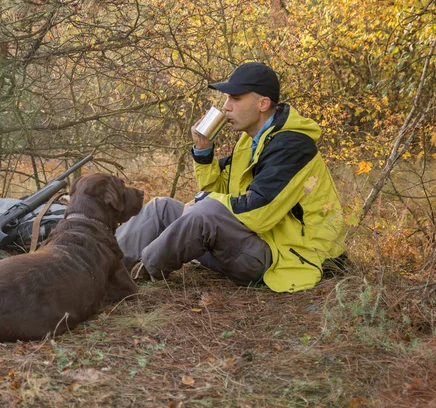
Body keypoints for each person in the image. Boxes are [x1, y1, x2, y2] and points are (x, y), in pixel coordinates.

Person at [116, 61, 347, 293]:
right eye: (226, 98)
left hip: (287, 258)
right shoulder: (251, 139)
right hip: (256, 242)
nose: (226, 107)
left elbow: (258, 213)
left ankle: (136, 275)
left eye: (235, 99)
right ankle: (104, 261)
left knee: (205, 211)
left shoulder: (293, 146)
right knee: (161, 208)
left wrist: (202, 199)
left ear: (263, 103)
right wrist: (204, 153)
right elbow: (222, 190)